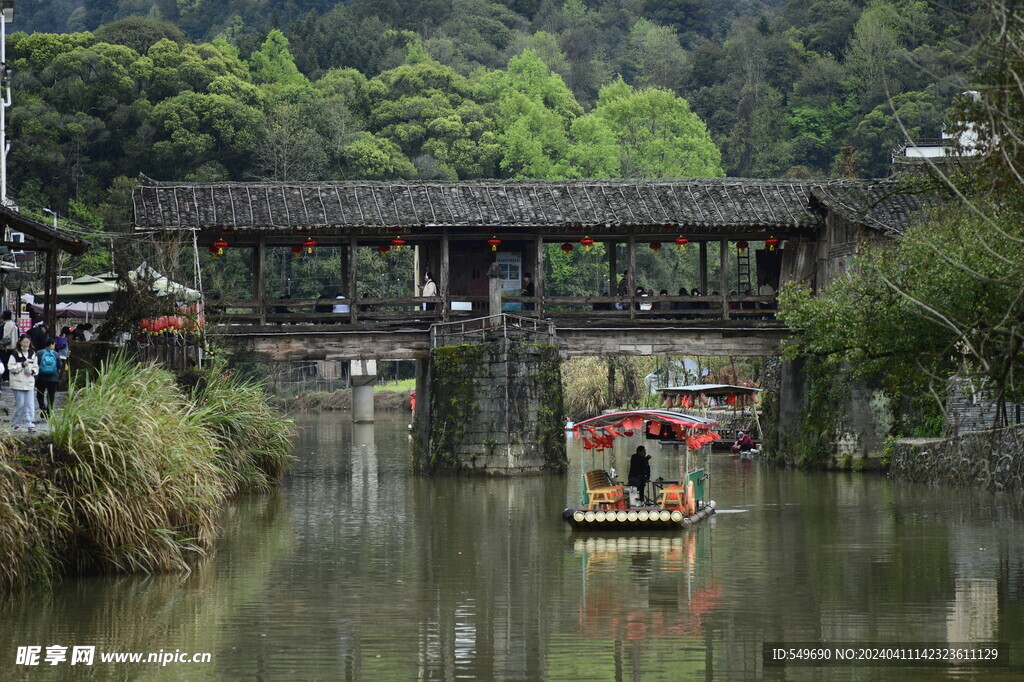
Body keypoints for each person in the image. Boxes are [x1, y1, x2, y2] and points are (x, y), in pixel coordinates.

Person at [8, 334, 38, 432]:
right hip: (18, 383)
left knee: (30, 404)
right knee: (20, 404)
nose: (26, 344)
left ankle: (31, 424)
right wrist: (21, 365)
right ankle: (16, 423)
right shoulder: (15, 354)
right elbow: (10, 367)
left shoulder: (33, 353)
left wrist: (32, 372)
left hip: (29, 382)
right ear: (20, 342)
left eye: (28, 342)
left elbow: (36, 367)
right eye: (24, 342)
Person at [35, 338, 60, 419]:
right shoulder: (56, 354)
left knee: (40, 394)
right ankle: (49, 411)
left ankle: (43, 408)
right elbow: (59, 365)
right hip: (53, 378)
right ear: (51, 344)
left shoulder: (39, 353)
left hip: (41, 377)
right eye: (54, 344)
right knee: (51, 395)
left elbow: (36, 363)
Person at [1, 310, 17, 383]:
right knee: (12, 362)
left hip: (3, 348)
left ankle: (5, 378)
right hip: (14, 347)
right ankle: (11, 377)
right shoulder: (15, 325)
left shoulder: (2, 325)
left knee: (4, 362)